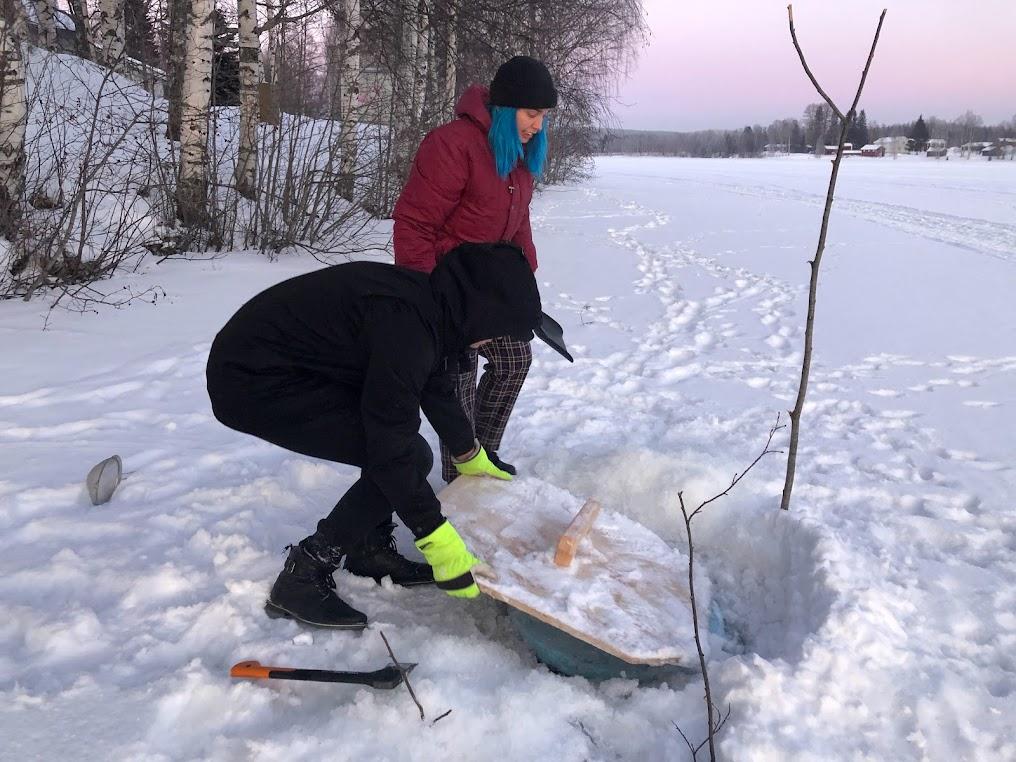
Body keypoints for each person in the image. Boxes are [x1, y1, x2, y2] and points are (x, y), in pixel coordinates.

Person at [206, 243, 567, 629]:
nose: (490, 344)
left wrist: (468, 451)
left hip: (297, 367)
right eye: (494, 335)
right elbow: (389, 443)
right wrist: (435, 537)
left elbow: (435, 385)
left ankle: (367, 550)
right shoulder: (406, 326)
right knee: (405, 456)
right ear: (481, 314)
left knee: (404, 453)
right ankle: (302, 576)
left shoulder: (433, 305)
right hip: (252, 382)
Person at [393, 55, 558, 483]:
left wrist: (526, 285)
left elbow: (518, 220)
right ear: (507, 107)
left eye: (543, 116)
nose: (538, 125)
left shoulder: (516, 156)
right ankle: (460, 474)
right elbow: (414, 222)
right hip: (447, 288)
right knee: (458, 383)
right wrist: (424, 297)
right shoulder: (452, 144)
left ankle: (483, 454)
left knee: (514, 359)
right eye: (532, 113)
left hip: (487, 289)